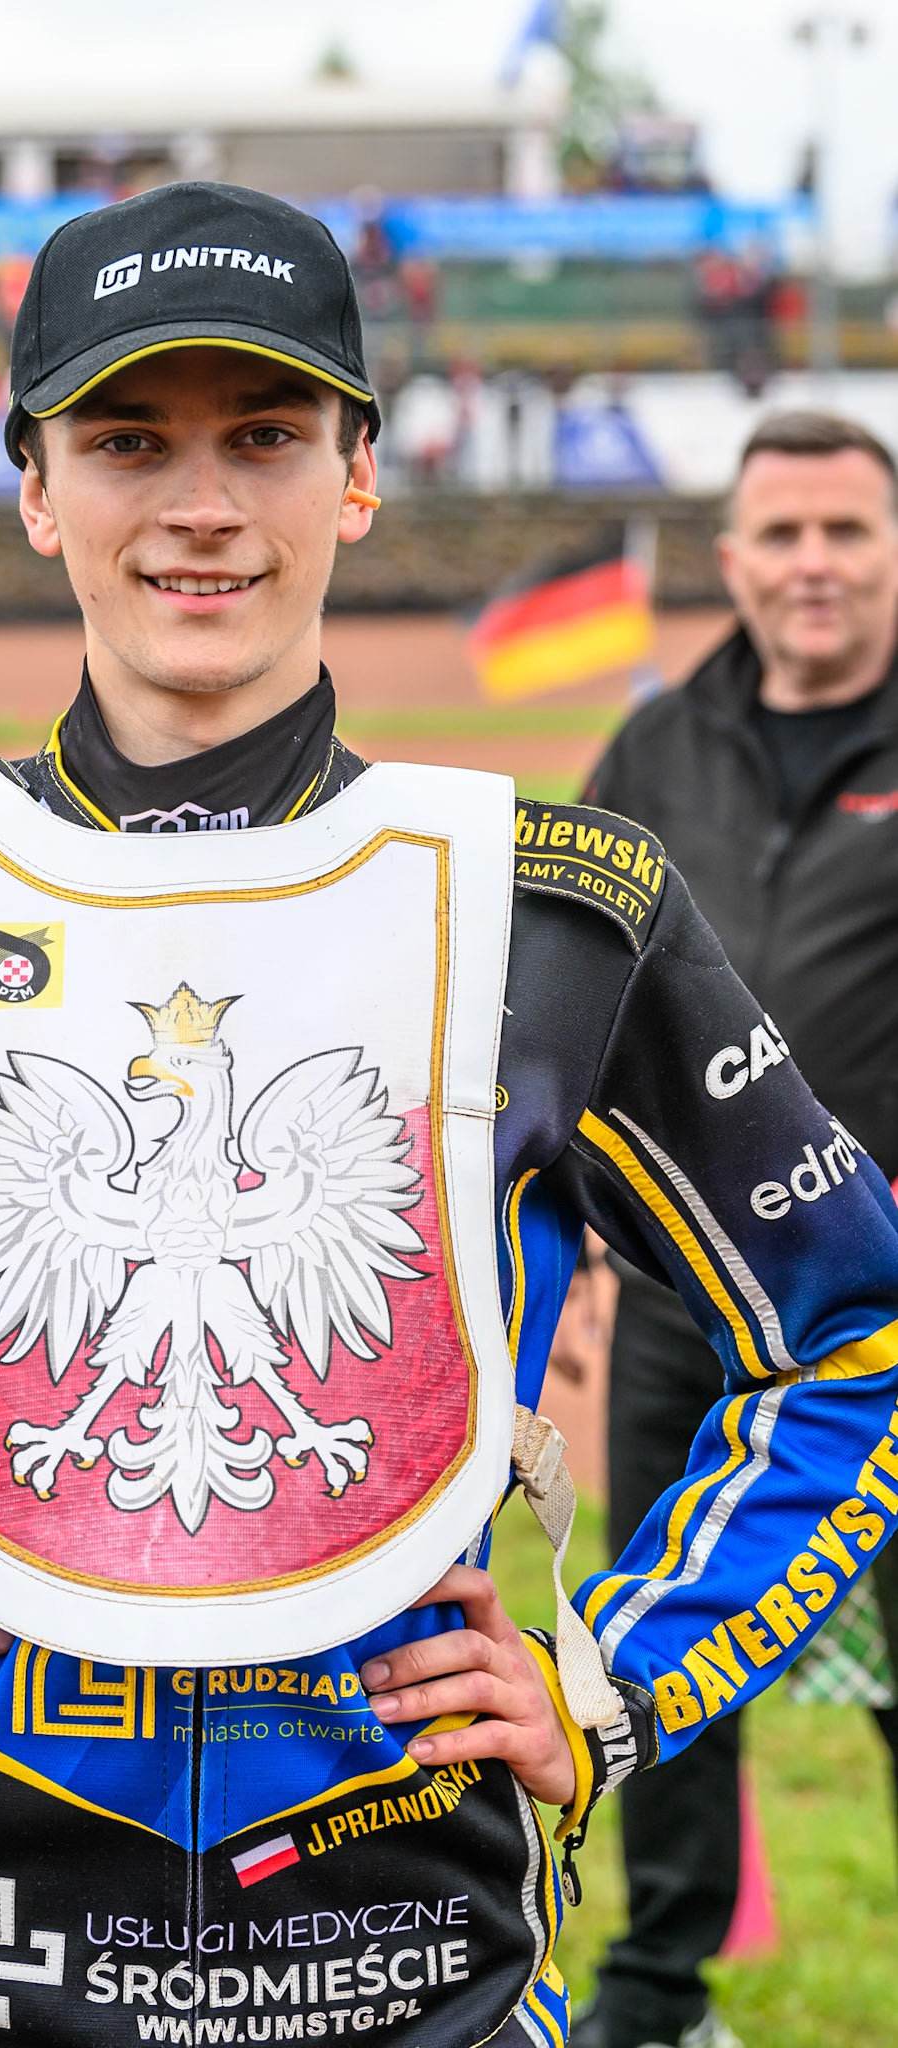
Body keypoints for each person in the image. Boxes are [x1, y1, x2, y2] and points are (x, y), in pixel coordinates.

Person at [0, 189, 898, 2048]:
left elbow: (853, 1330)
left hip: (420, 1979)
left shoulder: (559, 910)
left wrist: (618, 1685)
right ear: (34, 488)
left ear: (358, 476)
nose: (199, 504)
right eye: (124, 442)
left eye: (263, 436)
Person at [572, 409, 898, 2048]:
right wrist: (563, 1243)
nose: (812, 563)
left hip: (882, 1317)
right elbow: (572, 1003)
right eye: (780, 533)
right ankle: (656, 1991)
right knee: (661, 1635)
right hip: (677, 1300)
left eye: (845, 530)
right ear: (732, 560)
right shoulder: (654, 749)